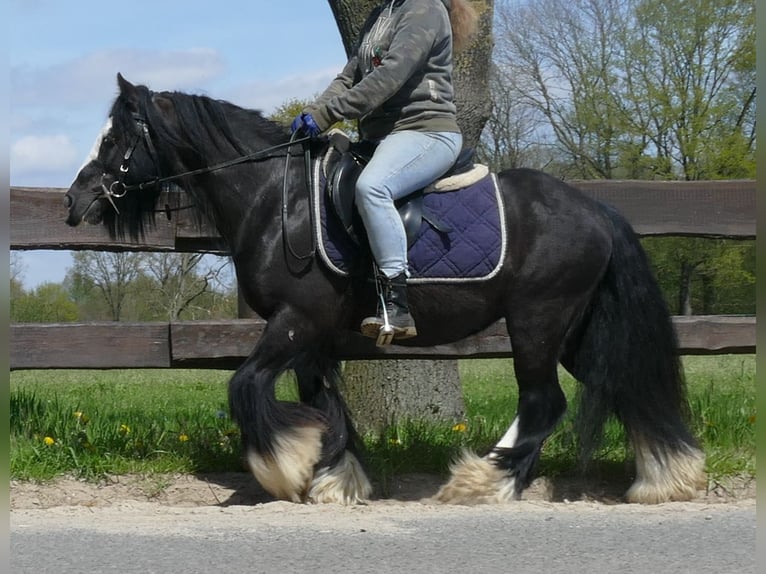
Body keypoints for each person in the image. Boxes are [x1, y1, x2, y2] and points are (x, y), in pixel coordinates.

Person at [292, 0, 478, 341]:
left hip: (426, 132)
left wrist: (327, 115)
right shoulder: (383, 14)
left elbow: (389, 75)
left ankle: (397, 304)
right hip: (380, 138)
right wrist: (313, 110)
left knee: (372, 188)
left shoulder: (424, 8)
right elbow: (349, 77)